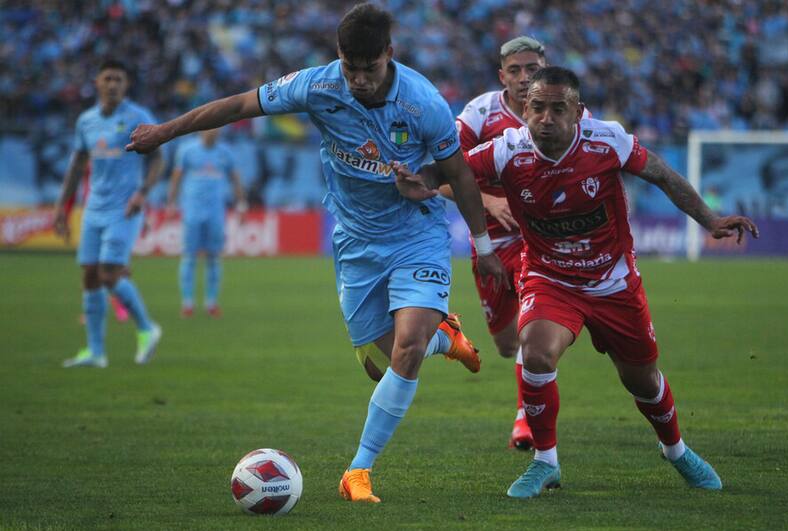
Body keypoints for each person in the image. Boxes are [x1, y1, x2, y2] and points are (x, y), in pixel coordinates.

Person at [125, 3, 505, 503]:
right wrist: (162, 132)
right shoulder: (318, 85)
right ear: (339, 57)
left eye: (369, 69)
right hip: (355, 242)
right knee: (381, 364)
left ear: (389, 55)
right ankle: (445, 336)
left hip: (416, 233)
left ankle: (358, 471)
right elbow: (240, 106)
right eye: (351, 68)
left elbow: (457, 174)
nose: (359, 81)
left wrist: (481, 245)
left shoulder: (423, 103)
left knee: (406, 348)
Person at [396, 66, 758, 497]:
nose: (545, 118)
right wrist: (420, 180)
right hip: (550, 278)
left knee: (641, 380)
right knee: (535, 352)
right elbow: (450, 170)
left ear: (578, 112)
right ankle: (545, 461)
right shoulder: (507, 150)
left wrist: (710, 220)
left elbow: (661, 175)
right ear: (524, 111)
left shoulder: (607, 141)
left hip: (614, 281)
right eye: (536, 108)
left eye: (557, 109)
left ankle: (675, 449)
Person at [446, 35, 547, 450]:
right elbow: (443, 173)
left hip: (540, 243)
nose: (525, 79)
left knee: (533, 330)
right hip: (489, 244)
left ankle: (525, 420)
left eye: (533, 70)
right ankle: (448, 333)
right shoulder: (479, 114)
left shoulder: (562, 111)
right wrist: (488, 199)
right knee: (507, 344)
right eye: (516, 71)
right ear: (501, 75)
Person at [54, 59, 164, 368]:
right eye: (108, 78)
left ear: (126, 85)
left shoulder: (137, 116)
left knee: (109, 273)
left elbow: (158, 160)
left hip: (124, 208)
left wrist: (142, 193)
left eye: (119, 79)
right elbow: (77, 164)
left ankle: (146, 328)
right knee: (89, 276)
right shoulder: (86, 121)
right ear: (97, 83)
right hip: (94, 208)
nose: (113, 84)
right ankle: (96, 352)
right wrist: (62, 206)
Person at [166, 128, 247, 317]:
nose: (214, 132)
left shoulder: (225, 153)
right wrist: (171, 203)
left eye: (217, 129)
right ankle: (187, 302)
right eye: (210, 129)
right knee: (189, 256)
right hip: (192, 211)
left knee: (213, 257)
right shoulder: (187, 150)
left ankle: (211, 302)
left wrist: (241, 204)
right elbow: (176, 178)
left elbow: (235, 179)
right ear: (202, 131)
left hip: (215, 213)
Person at [64, 164, 131, 323]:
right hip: (92, 214)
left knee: (118, 265)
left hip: (117, 213)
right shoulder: (86, 154)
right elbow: (72, 184)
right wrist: (66, 212)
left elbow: (131, 183)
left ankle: (121, 303)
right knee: (90, 267)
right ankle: (92, 310)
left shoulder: (116, 153)